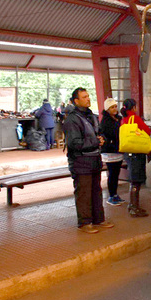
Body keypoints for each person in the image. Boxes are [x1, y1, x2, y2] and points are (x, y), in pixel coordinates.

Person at [63, 88, 114, 234]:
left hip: (94, 160)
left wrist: (101, 138)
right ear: (76, 101)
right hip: (80, 162)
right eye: (84, 97)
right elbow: (74, 143)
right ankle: (84, 223)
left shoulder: (91, 116)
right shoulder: (72, 119)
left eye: (88, 96)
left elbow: (97, 133)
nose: (88, 99)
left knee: (96, 191)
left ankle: (99, 219)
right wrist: (95, 142)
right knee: (84, 193)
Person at [120, 98, 151, 218]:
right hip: (136, 153)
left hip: (128, 153)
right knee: (136, 180)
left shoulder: (124, 119)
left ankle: (133, 206)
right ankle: (133, 207)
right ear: (133, 107)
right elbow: (147, 131)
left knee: (134, 179)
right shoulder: (135, 118)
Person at [100, 97, 126, 206]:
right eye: (112, 107)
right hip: (110, 150)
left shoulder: (118, 118)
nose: (115, 109)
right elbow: (113, 133)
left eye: (115, 106)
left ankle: (115, 194)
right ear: (107, 109)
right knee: (112, 173)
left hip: (118, 149)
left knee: (116, 173)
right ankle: (111, 195)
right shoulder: (105, 121)